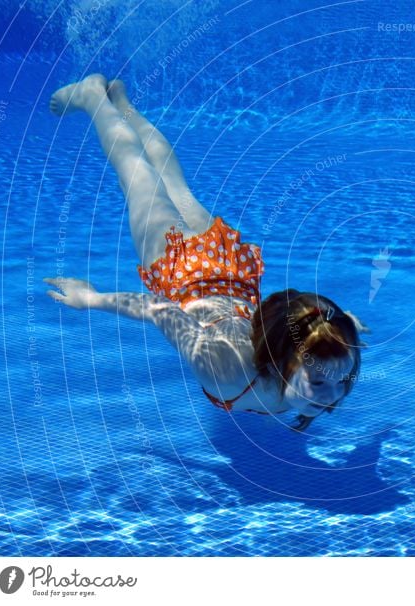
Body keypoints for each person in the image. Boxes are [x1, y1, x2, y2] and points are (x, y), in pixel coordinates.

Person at [43, 74, 368, 431]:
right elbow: (158, 308)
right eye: (321, 382)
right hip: (181, 269)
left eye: (341, 380)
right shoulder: (225, 368)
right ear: (277, 359)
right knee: (136, 175)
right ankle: (93, 97)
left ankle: (122, 104)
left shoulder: (315, 351)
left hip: (229, 273)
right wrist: (91, 298)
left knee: (170, 180)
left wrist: (340, 324)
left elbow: (300, 330)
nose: (332, 396)